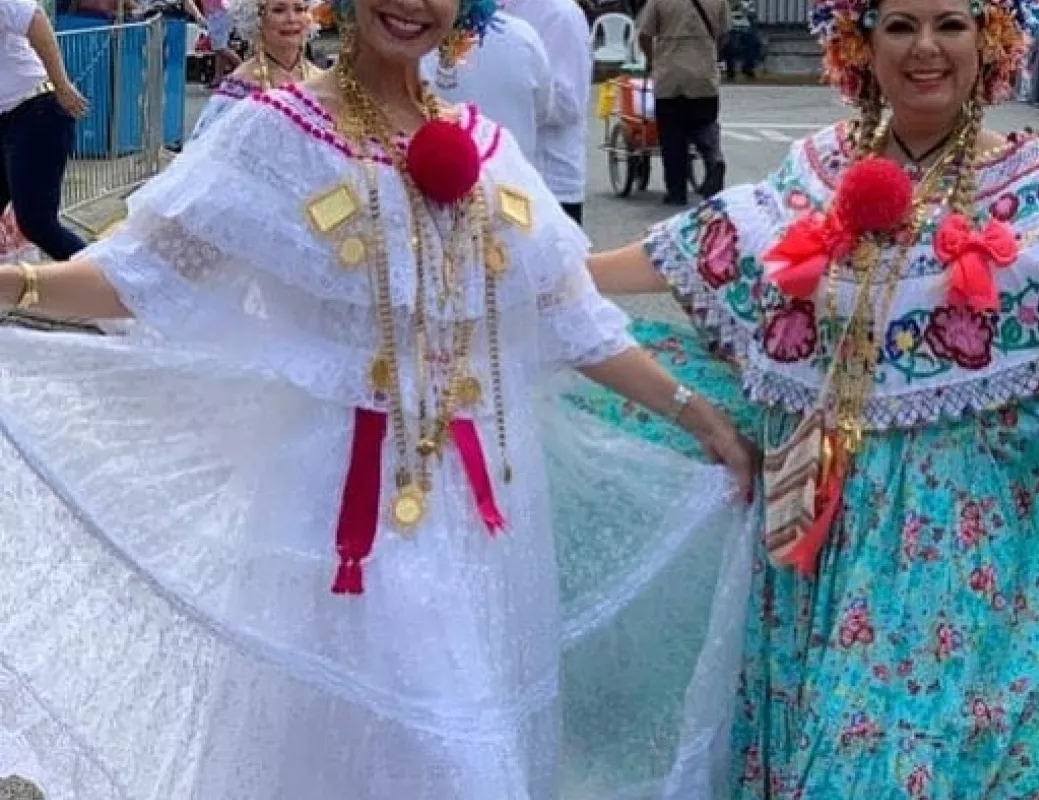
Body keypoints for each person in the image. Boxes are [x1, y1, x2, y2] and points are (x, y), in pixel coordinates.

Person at [0, 0, 757, 796]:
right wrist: (14, 281)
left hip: (470, 525)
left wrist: (703, 421)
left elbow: (577, 319)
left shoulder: (486, 151)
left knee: (456, 744)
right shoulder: (274, 134)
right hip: (328, 519)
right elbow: (136, 278)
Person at [586, 0, 1039, 794]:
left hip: (961, 542)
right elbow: (698, 247)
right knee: (814, 745)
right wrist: (548, 283)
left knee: (896, 764)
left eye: (951, 25)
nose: (925, 48)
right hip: (815, 527)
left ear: (989, 43)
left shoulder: (1034, 186)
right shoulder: (816, 170)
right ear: (861, 47)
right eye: (899, 26)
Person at [0, 0, 88, 262]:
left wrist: (61, 85)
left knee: (37, 222)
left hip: (35, 109)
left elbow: (34, 19)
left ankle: (103, 286)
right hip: (7, 116)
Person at [423, 9, 552, 169]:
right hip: (500, 176)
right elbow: (543, 110)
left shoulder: (416, 37)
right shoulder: (522, 35)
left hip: (508, 179)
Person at [502, 0, 592, 224]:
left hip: (550, 181)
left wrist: (514, 97)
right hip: (500, 180)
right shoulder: (487, 9)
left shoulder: (560, 14)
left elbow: (569, 104)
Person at [637, 0, 728, 206]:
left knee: (672, 137)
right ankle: (714, 159)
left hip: (671, 75)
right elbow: (723, 35)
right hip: (704, 76)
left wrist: (653, 59)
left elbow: (644, 35)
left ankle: (676, 192)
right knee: (705, 124)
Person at [191, 0, 321, 138]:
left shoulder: (320, 79)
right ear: (258, 19)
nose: (291, 19)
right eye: (278, 10)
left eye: (299, 9)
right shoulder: (239, 87)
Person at [721, 0, 760, 81]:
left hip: (744, 28)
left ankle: (748, 68)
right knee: (728, 45)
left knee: (754, 43)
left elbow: (752, 13)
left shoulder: (746, 2)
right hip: (728, 28)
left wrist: (749, 13)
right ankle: (730, 72)